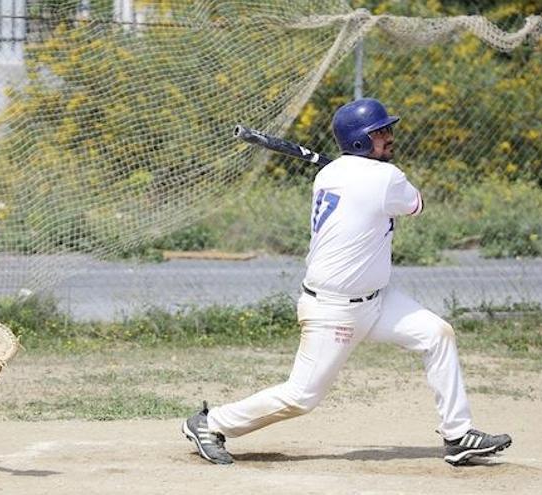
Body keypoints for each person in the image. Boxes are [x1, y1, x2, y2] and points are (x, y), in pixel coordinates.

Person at [182, 98, 512, 466]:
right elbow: (416, 204)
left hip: (377, 300)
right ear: (359, 142)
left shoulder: (330, 173)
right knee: (301, 397)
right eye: (380, 132)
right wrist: (375, 174)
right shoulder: (387, 178)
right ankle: (211, 423)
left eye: (387, 129)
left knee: (437, 334)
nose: (389, 137)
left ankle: (458, 434)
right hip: (333, 309)